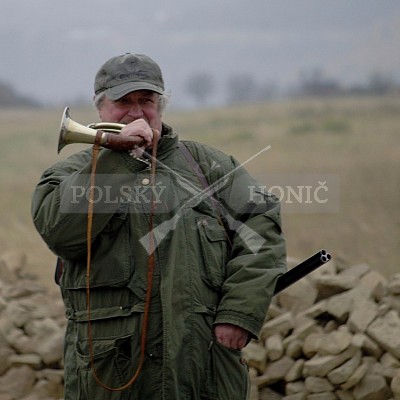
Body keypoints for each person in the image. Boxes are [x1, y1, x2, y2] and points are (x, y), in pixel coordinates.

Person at [31, 53, 287, 400]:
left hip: (204, 371)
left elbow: (264, 231)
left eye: (146, 101)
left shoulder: (210, 166)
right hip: (113, 375)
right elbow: (61, 233)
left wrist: (239, 313)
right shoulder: (68, 175)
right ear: (101, 110)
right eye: (123, 101)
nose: (136, 112)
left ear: (161, 107)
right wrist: (119, 157)